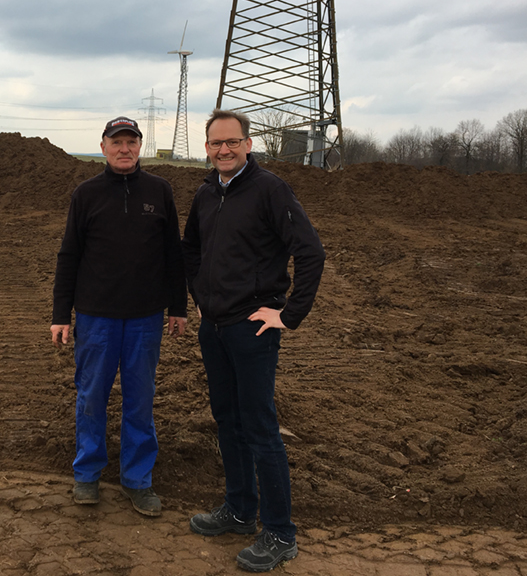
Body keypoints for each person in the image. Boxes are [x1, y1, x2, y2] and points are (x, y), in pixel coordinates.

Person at [181, 109, 325, 571]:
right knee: (227, 419)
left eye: (232, 142)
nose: (224, 149)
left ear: (248, 144)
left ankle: (280, 533)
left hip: (253, 328)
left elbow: (311, 252)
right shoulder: (205, 193)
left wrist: (289, 314)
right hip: (214, 327)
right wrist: (200, 296)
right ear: (207, 147)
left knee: (260, 426)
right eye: (215, 143)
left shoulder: (270, 190)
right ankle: (240, 510)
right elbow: (191, 250)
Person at [51, 116, 187, 517]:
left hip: (145, 318)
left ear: (139, 147)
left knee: (140, 400)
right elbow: (69, 256)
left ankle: (137, 480)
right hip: (96, 317)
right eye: (117, 142)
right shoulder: (86, 194)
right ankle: (87, 474)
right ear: (104, 146)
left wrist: (177, 306)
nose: (124, 148)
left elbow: (173, 256)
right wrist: (62, 314)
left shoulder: (159, 192)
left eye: (131, 142)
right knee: (91, 396)